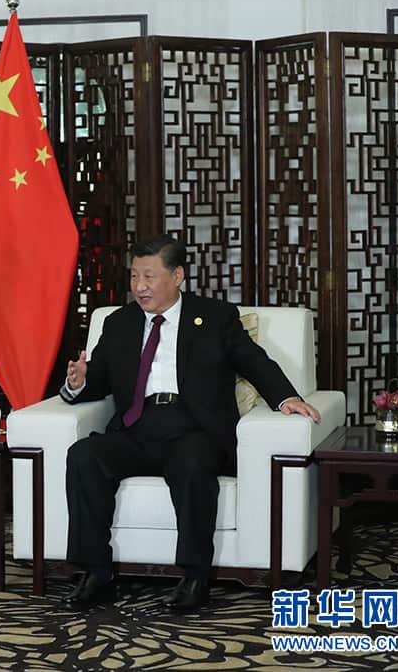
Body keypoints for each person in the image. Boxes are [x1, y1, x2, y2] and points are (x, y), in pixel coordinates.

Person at [59, 235, 321, 612]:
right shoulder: (119, 323)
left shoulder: (215, 317)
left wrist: (286, 398)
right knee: (84, 455)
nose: (139, 287)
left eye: (149, 276)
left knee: (193, 462)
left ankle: (195, 576)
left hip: (192, 428)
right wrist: (77, 382)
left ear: (177, 275)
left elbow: (254, 361)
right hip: (136, 425)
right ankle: (95, 572)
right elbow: (97, 379)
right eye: (134, 277)